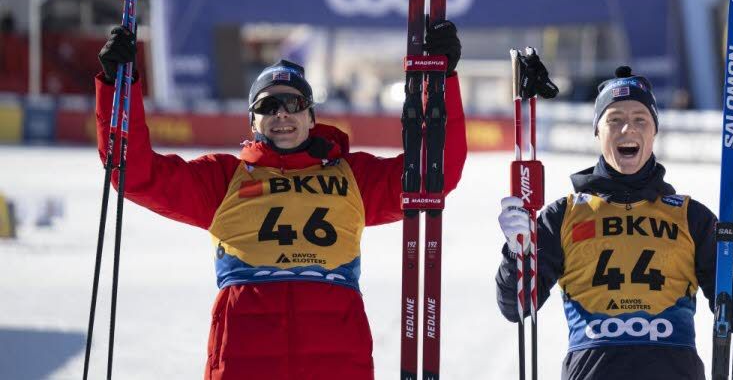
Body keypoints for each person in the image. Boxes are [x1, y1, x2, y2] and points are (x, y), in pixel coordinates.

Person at [94, 21, 466, 380]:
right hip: (244, 360)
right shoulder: (223, 179)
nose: (281, 114)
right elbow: (135, 173)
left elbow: (435, 175)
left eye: (293, 103)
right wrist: (118, 87)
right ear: (253, 122)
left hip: (335, 360)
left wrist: (441, 79)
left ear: (311, 115)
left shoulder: (353, 175)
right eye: (268, 106)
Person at [495, 65, 733, 379]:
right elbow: (515, 306)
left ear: (654, 131)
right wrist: (514, 253)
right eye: (614, 120)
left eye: (640, 119)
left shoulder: (691, 217)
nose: (627, 129)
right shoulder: (562, 215)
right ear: (597, 132)